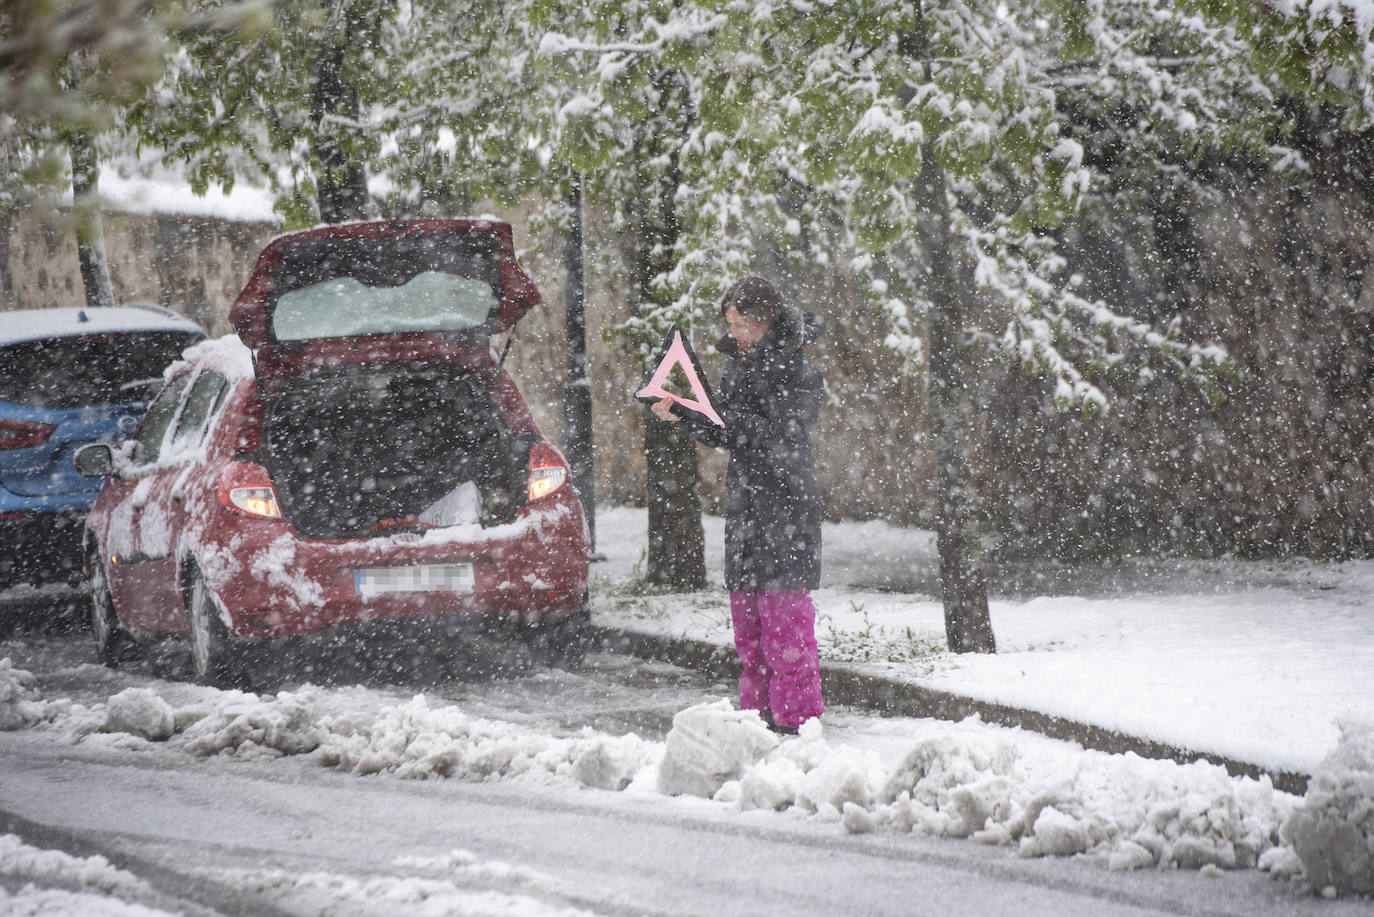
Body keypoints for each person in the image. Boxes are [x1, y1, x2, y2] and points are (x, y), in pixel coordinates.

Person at [651, 275, 825, 734]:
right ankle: (754, 723)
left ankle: (797, 725)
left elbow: (778, 436)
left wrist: (722, 417)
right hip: (747, 513)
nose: (737, 334)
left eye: (744, 324)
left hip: (786, 512)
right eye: (731, 324)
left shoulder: (800, 373)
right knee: (748, 635)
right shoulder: (738, 369)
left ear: (766, 322)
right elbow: (726, 430)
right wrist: (685, 410)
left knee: (786, 631)